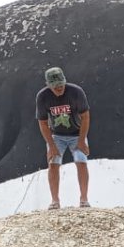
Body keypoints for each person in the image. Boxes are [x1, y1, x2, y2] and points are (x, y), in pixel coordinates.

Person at [35, 67, 91, 209]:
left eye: (61, 84)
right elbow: (42, 123)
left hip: (77, 132)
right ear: (48, 85)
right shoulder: (42, 96)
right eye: (55, 86)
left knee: (81, 161)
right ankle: (55, 200)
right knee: (53, 163)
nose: (59, 88)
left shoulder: (76, 92)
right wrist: (51, 146)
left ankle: (84, 199)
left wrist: (81, 140)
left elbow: (85, 117)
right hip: (57, 135)